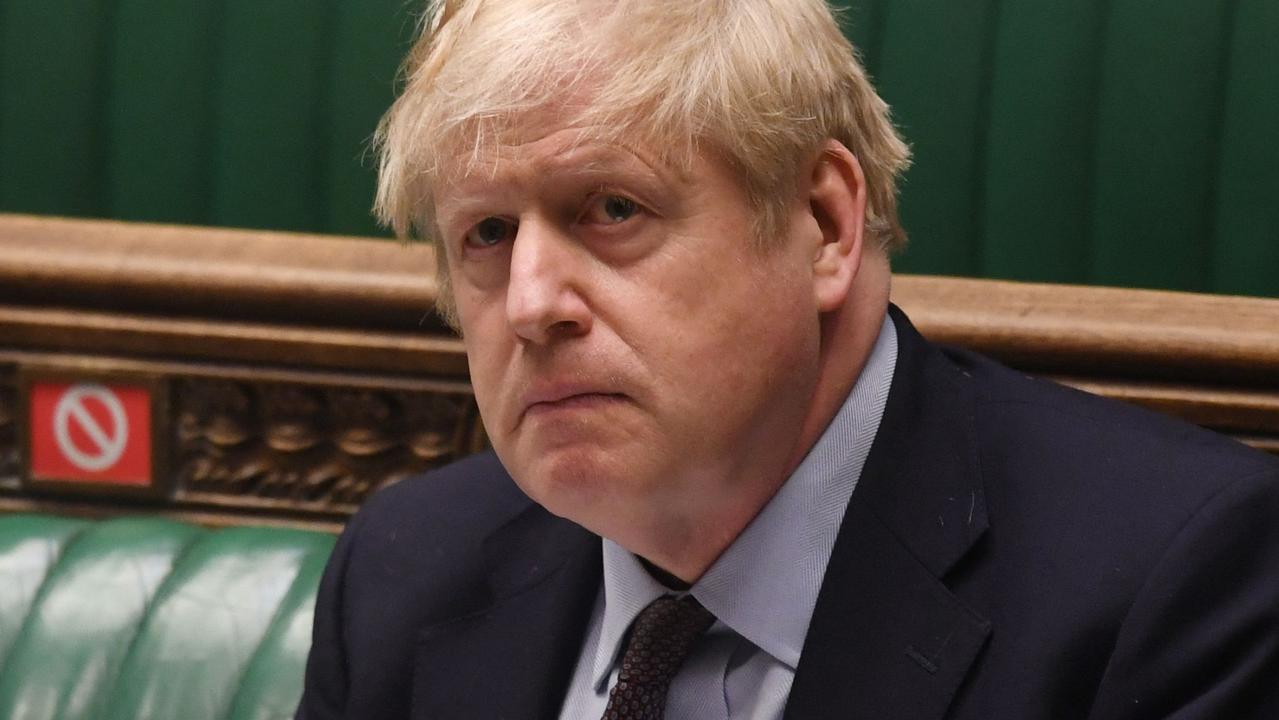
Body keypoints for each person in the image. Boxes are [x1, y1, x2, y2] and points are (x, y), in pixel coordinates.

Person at [296, 1, 1279, 718]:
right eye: (487, 234)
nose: (531, 304)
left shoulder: (1173, 588)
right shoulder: (405, 571)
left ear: (823, 224)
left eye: (611, 209)